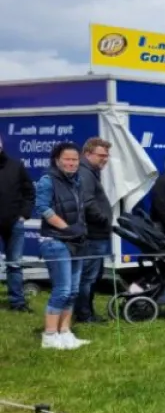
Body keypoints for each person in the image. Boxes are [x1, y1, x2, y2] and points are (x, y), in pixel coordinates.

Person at [34, 143, 90, 349]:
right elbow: (42, 208)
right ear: (57, 160)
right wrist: (66, 229)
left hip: (76, 242)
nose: (71, 163)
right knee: (62, 290)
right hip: (55, 241)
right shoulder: (48, 180)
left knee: (74, 290)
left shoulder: (77, 181)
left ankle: (65, 332)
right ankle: (49, 336)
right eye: (67, 159)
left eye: (75, 159)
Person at [75, 137, 112, 324]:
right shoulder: (85, 173)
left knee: (93, 276)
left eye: (107, 156)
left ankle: (87, 311)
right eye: (101, 155)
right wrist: (103, 218)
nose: (105, 159)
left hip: (97, 234)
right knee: (88, 277)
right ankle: (84, 315)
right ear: (88, 153)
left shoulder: (91, 172)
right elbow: (87, 202)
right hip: (92, 234)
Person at [0, 137, 36, 313]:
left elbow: (29, 191)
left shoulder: (16, 166)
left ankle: (17, 303)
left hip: (14, 223)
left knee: (14, 264)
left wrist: (24, 214)